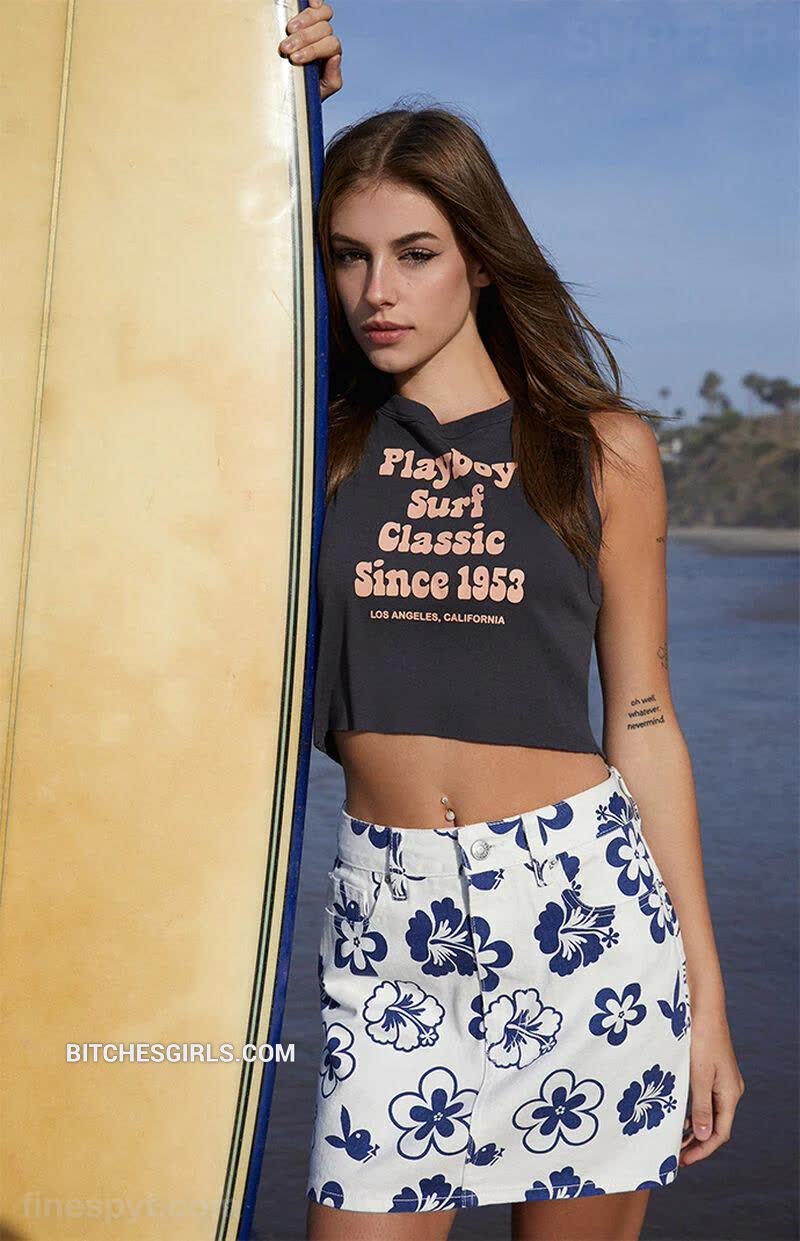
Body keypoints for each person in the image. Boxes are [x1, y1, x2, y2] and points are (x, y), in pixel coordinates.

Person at [277, 23, 744, 1241]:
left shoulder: (600, 450)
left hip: (581, 918)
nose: (375, 291)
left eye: (414, 253)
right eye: (347, 256)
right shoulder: (314, 446)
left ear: (479, 260)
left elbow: (642, 718)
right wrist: (272, 109)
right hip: (387, 929)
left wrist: (703, 995)